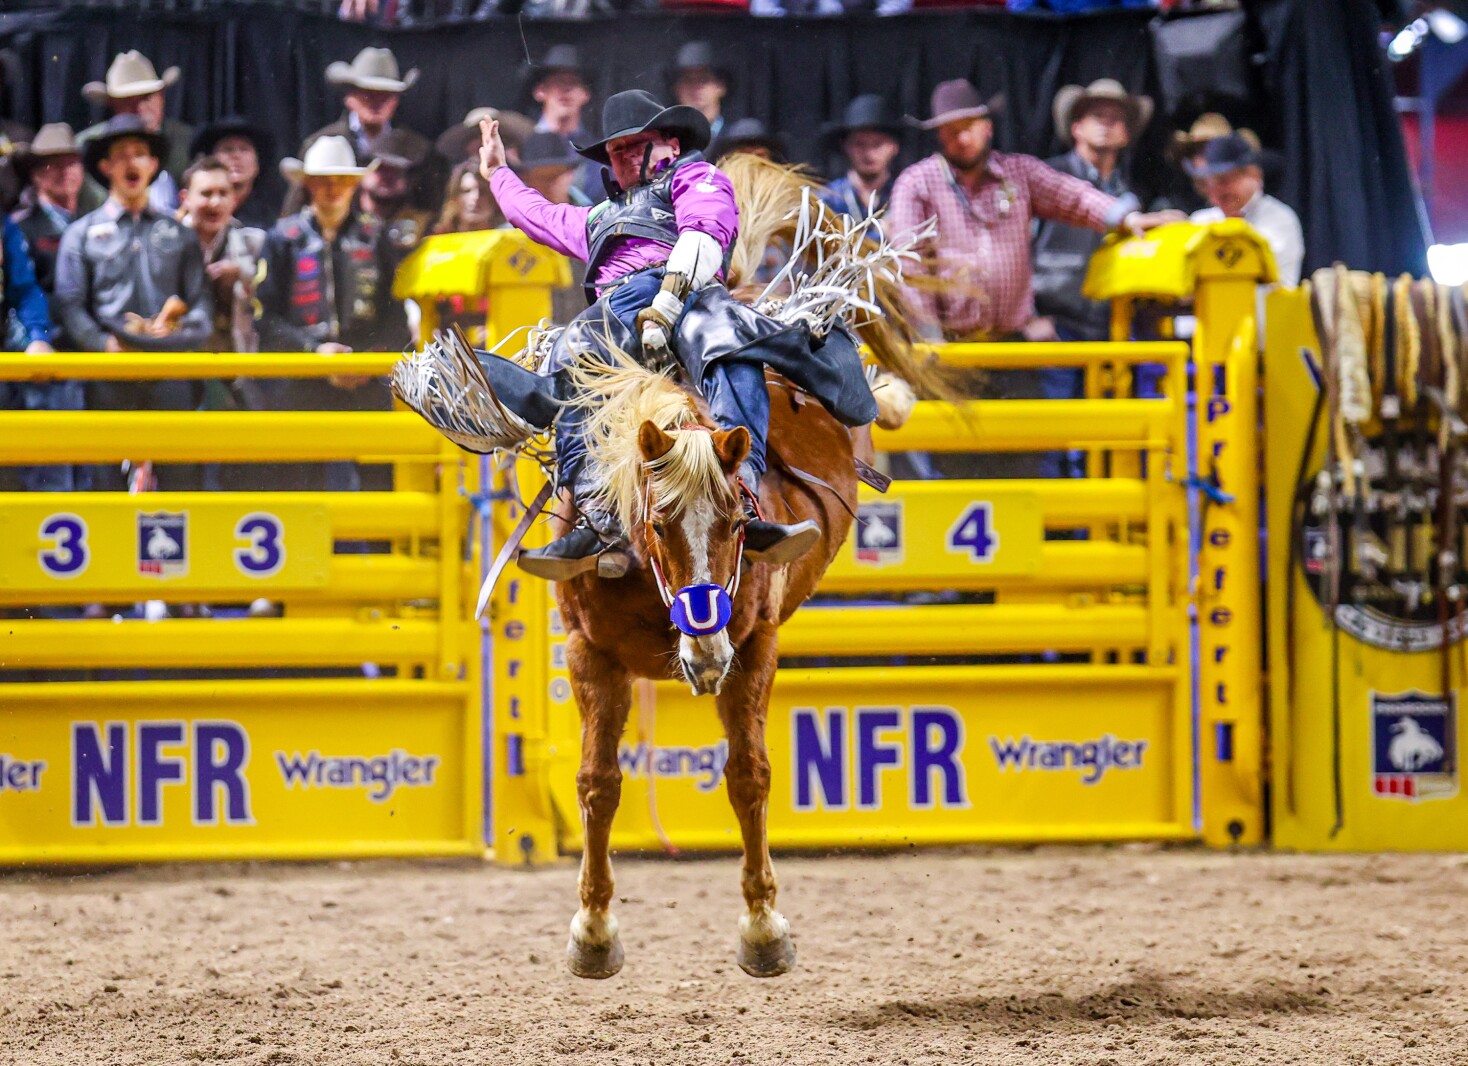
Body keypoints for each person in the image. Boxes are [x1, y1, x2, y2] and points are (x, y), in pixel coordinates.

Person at [479, 90, 876, 579]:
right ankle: (596, 514)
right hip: (619, 312)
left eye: (632, 145)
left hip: (690, 296)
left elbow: (703, 232)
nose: (621, 158)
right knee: (580, 356)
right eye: (614, 151)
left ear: (669, 143)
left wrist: (668, 298)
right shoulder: (599, 218)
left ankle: (744, 503)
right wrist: (498, 173)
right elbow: (537, 216)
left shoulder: (696, 176)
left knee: (724, 343)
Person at [889, 79, 1178, 344]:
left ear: (986, 127)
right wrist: (927, 336)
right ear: (939, 135)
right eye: (952, 131)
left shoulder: (1018, 172)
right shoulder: (917, 184)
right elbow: (910, 265)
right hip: (949, 341)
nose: (962, 138)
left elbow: (1072, 195)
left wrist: (1126, 217)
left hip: (1013, 338)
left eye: (969, 127)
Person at [55, 114, 212, 492]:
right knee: (108, 483)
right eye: (121, 154)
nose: (131, 162)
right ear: (106, 166)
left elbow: (202, 308)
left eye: (140, 153)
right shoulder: (81, 234)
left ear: (154, 165)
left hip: (170, 371)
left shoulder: (179, 235)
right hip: (111, 374)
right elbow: (69, 304)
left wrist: (177, 335)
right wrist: (103, 345)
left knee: (181, 483)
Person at [256, 136, 403, 492]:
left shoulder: (377, 236)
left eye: (341, 178)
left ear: (355, 183)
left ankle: (380, 546)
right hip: (302, 378)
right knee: (302, 478)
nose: (332, 187)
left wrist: (368, 360)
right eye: (323, 179)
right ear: (307, 184)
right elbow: (265, 319)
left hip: (366, 376)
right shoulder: (282, 238)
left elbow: (395, 315)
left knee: (377, 478)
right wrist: (314, 352)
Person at [1032, 79, 1152, 345]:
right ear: (1076, 127)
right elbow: (1015, 246)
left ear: (1126, 134)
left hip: (1110, 329)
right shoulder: (1047, 180)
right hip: (1054, 327)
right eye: (1097, 115)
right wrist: (1029, 318)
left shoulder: (1130, 195)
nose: (1106, 124)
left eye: (1116, 118)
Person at [297, 48, 435, 211]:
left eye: (385, 95)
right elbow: (297, 206)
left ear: (396, 100)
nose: (376, 102)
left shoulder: (417, 149)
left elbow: (428, 208)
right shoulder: (320, 145)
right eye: (368, 94)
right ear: (349, 98)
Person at [75, 51, 193, 215]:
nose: (139, 108)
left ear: (161, 97)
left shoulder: (187, 140)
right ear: (112, 104)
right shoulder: (87, 145)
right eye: (127, 101)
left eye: (146, 98)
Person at [1188, 132, 1304, 288]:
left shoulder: (1280, 219)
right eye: (1210, 183)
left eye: (1224, 180)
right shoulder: (1200, 221)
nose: (1216, 191)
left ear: (1253, 175)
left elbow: (1254, 272)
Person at [181, 155, 265, 353]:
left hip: (236, 362)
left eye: (223, 193)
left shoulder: (256, 245)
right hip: (180, 361)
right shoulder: (167, 245)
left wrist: (242, 276)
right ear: (185, 199)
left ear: (234, 199)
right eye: (206, 193)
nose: (215, 202)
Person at [522, 45, 602, 202]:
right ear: (540, 91)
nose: (565, 89)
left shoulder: (597, 151)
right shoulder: (521, 142)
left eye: (573, 83)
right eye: (557, 82)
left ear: (586, 94)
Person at [11, 123, 83, 294]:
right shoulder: (21, 230)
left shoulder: (92, 223)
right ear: (37, 175)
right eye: (56, 165)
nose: (66, 172)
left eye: (72, 163)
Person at [820, 95, 903, 221]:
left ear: (894, 147)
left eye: (878, 144)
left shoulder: (905, 197)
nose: (868, 153)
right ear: (845, 146)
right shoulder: (828, 200)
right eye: (859, 144)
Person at [190, 117, 280, 230]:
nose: (236, 156)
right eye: (228, 149)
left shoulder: (273, 221)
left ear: (257, 164)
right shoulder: (191, 218)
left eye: (244, 149)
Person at [669, 41, 732, 143]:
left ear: (721, 86)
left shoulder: (736, 139)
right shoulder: (667, 141)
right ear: (676, 88)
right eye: (688, 80)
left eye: (704, 80)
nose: (697, 87)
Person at [435, 107, 534, 170]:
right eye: (479, 135)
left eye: (502, 139)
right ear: (467, 145)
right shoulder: (461, 181)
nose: (490, 143)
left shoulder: (526, 178)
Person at [516, 132, 585, 206]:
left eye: (556, 177)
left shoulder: (587, 212)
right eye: (545, 179)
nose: (552, 187)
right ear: (525, 179)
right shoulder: (515, 211)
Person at [433, 161, 502, 234]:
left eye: (483, 192)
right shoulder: (439, 239)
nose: (476, 197)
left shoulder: (508, 237)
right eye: (466, 191)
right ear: (455, 198)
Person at [710, 118, 786, 164]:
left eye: (758, 156)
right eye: (743, 158)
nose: (752, 163)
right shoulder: (717, 189)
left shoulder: (786, 188)